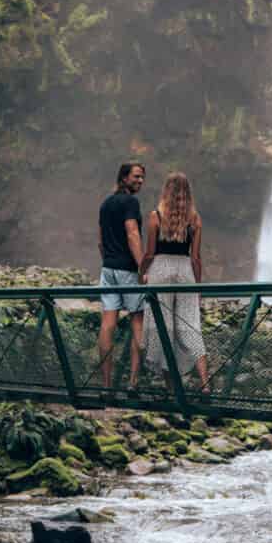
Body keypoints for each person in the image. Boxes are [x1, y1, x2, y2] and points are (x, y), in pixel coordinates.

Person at [139, 169, 210, 393]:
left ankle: (172, 389)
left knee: (164, 326)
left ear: (166, 191)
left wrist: (142, 272)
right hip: (185, 270)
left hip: (160, 269)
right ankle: (205, 383)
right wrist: (197, 286)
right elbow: (196, 258)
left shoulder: (156, 216)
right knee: (190, 326)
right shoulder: (195, 218)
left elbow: (149, 253)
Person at [98, 161, 146, 392]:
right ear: (124, 177)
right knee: (138, 321)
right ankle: (133, 383)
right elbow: (132, 233)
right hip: (127, 269)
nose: (140, 181)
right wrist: (142, 267)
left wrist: (108, 260)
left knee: (108, 323)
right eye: (136, 177)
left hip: (107, 269)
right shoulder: (130, 202)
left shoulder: (106, 203)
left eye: (142, 177)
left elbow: (100, 240)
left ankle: (106, 385)